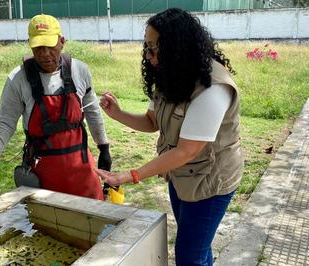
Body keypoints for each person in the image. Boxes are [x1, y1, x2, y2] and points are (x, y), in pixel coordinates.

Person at [95, 8, 243, 265]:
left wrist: (129, 176)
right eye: (147, 47)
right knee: (198, 248)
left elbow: (187, 150)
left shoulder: (213, 87)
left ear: (178, 47)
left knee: (188, 255)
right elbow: (152, 122)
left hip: (210, 183)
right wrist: (117, 114)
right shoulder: (170, 74)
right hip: (180, 175)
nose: (149, 56)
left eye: (155, 48)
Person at [0, 14, 111, 200]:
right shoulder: (18, 78)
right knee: (46, 225)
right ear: (30, 44)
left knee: (91, 222)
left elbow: (92, 111)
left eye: (50, 45)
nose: (44, 53)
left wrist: (103, 147)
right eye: (38, 47)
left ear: (61, 42)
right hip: (43, 174)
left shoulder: (80, 71)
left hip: (82, 171)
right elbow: (5, 123)